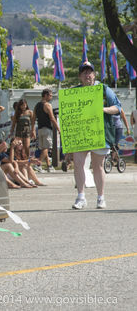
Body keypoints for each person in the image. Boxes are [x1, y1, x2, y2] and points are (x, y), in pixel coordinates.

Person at [70, 61, 121, 210]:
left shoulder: (104, 90)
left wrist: (104, 109)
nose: (87, 75)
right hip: (81, 134)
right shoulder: (74, 92)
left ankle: (101, 197)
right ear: (80, 76)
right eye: (84, 72)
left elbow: (117, 107)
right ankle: (81, 197)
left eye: (90, 71)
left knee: (98, 166)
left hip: (99, 133)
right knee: (78, 164)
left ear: (94, 74)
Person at [31, 89, 60, 173]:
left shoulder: (37, 105)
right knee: (47, 148)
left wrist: (32, 129)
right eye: (50, 95)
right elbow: (52, 118)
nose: (51, 97)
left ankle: (49, 165)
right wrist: (58, 128)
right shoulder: (47, 105)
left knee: (44, 148)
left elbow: (33, 118)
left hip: (39, 129)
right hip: (47, 128)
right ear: (46, 95)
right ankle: (38, 164)